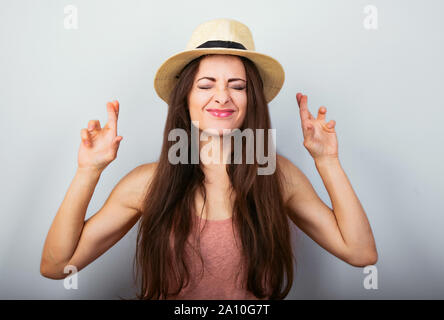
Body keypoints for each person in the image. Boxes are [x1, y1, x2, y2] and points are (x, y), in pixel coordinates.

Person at [40, 18, 377, 300]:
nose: (222, 96)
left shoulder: (277, 176)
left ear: (251, 99)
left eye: (237, 86)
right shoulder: (147, 183)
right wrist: (88, 171)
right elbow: (57, 266)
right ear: (185, 97)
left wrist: (327, 161)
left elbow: (360, 253)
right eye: (205, 85)